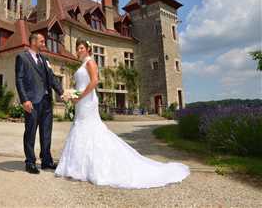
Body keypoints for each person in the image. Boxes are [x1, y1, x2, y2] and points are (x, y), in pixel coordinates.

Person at [55, 38, 190, 189]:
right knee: (79, 128)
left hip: (87, 101)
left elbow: (94, 82)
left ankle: (89, 167)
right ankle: (77, 167)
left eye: (81, 48)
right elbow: (81, 83)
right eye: (77, 48)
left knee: (89, 128)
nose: (79, 50)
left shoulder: (90, 62)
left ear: (87, 49)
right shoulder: (81, 65)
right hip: (81, 101)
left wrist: (80, 96)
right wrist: (72, 94)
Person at [15, 33, 64, 174]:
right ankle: (30, 162)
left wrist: (62, 93)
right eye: (42, 41)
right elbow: (19, 80)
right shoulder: (22, 57)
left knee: (46, 132)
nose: (44, 44)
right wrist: (24, 100)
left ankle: (46, 160)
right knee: (30, 132)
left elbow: (52, 78)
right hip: (32, 102)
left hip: (46, 101)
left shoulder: (44, 59)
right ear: (33, 41)